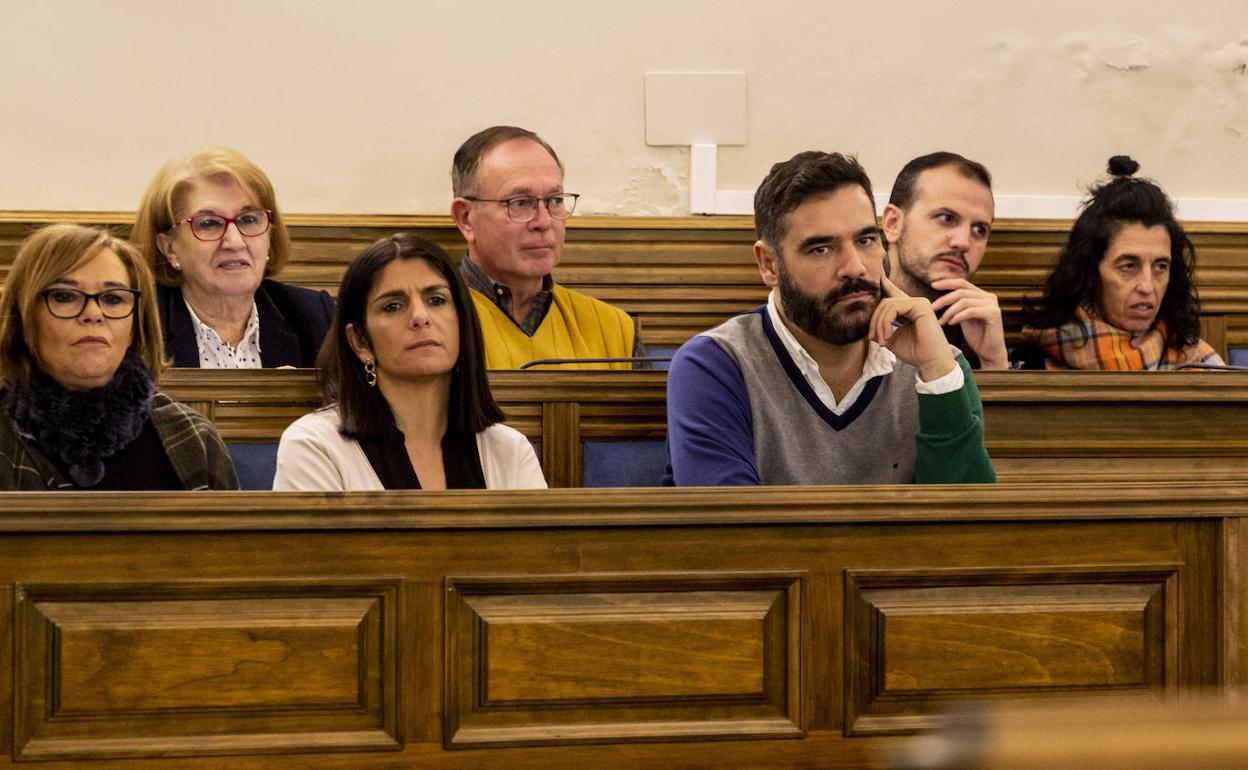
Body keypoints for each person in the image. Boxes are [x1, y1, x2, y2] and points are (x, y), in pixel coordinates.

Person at [665, 151, 995, 486]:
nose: (855, 267)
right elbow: (731, 531)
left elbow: (973, 525)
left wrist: (939, 375)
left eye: (866, 240)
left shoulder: (941, 366)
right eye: (821, 248)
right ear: (769, 264)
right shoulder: (717, 364)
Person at [272, 234, 546, 491]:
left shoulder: (510, 450)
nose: (420, 316)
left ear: (462, 321)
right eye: (393, 306)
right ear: (360, 342)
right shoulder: (315, 446)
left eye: (436, 300)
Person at [0, 224, 238, 490]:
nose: (93, 313)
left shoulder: (193, 436)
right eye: (65, 296)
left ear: (137, 323)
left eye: (113, 299)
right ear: (23, 316)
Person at [450, 125, 646, 369]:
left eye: (555, 201)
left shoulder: (615, 330)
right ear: (466, 218)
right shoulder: (432, 325)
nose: (543, 222)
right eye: (520, 203)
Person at [131, 146, 334, 368]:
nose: (234, 242)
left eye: (248, 220)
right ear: (169, 248)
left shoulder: (315, 317)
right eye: (209, 223)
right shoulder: (139, 325)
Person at [1015, 156, 1223, 370]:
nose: (1147, 287)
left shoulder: (1196, 360)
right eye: (1129, 266)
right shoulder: (1038, 362)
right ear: (1091, 272)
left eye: (1161, 267)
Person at [881, 152, 1007, 370]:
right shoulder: (848, 309)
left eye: (979, 230)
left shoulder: (971, 326)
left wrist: (993, 361)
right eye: (947, 218)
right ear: (893, 224)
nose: (963, 242)